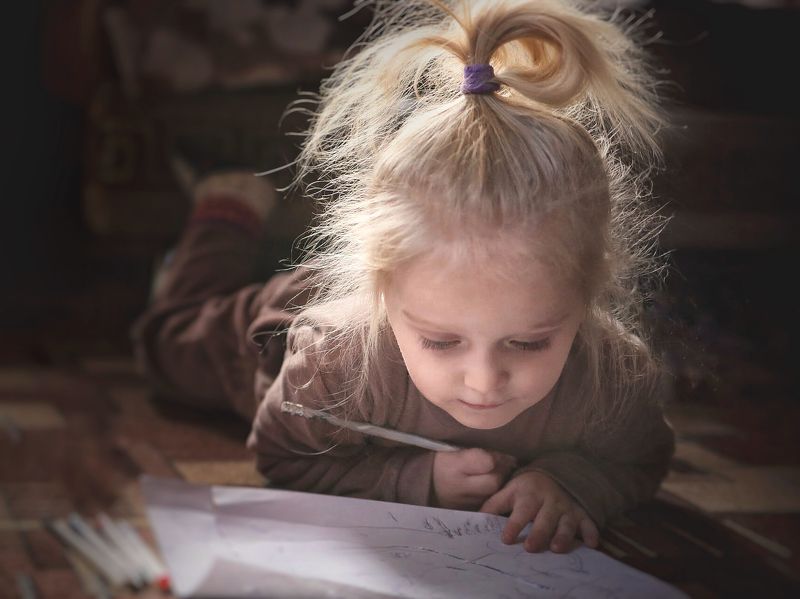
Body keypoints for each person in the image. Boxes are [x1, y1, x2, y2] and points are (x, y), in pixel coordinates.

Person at [132, 0, 676, 555]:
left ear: (588, 297)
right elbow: (281, 457)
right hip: (271, 330)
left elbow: (640, 460)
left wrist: (571, 482)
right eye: (441, 342)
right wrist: (417, 479)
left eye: (529, 341)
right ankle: (224, 210)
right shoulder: (331, 362)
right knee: (165, 343)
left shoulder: (615, 377)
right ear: (383, 294)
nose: (484, 381)